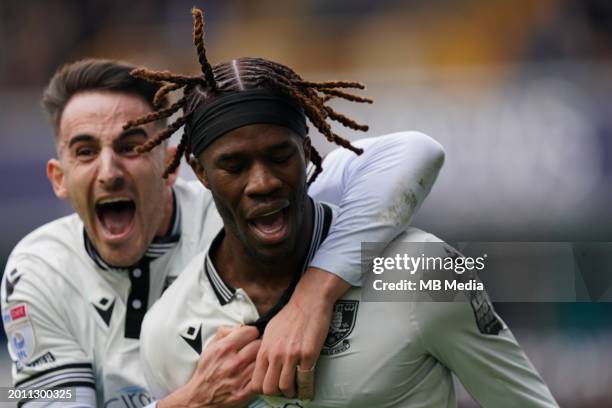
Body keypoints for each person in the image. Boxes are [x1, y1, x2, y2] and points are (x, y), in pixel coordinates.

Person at [0, 14, 444, 408]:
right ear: (58, 177)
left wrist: (315, 293)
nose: (109, 171)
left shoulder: (240, 211)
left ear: (169, 164)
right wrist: (193, 401)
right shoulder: (36, 270)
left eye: (132, 146)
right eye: (85, 152)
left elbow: (414, 151)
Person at [137, 8, 558, 408]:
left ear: (306, 149)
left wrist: (314, 295)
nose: (262, 182)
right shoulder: (166, 331)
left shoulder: (423, 272)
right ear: (200, 170)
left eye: (279, 156)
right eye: (234, 165)